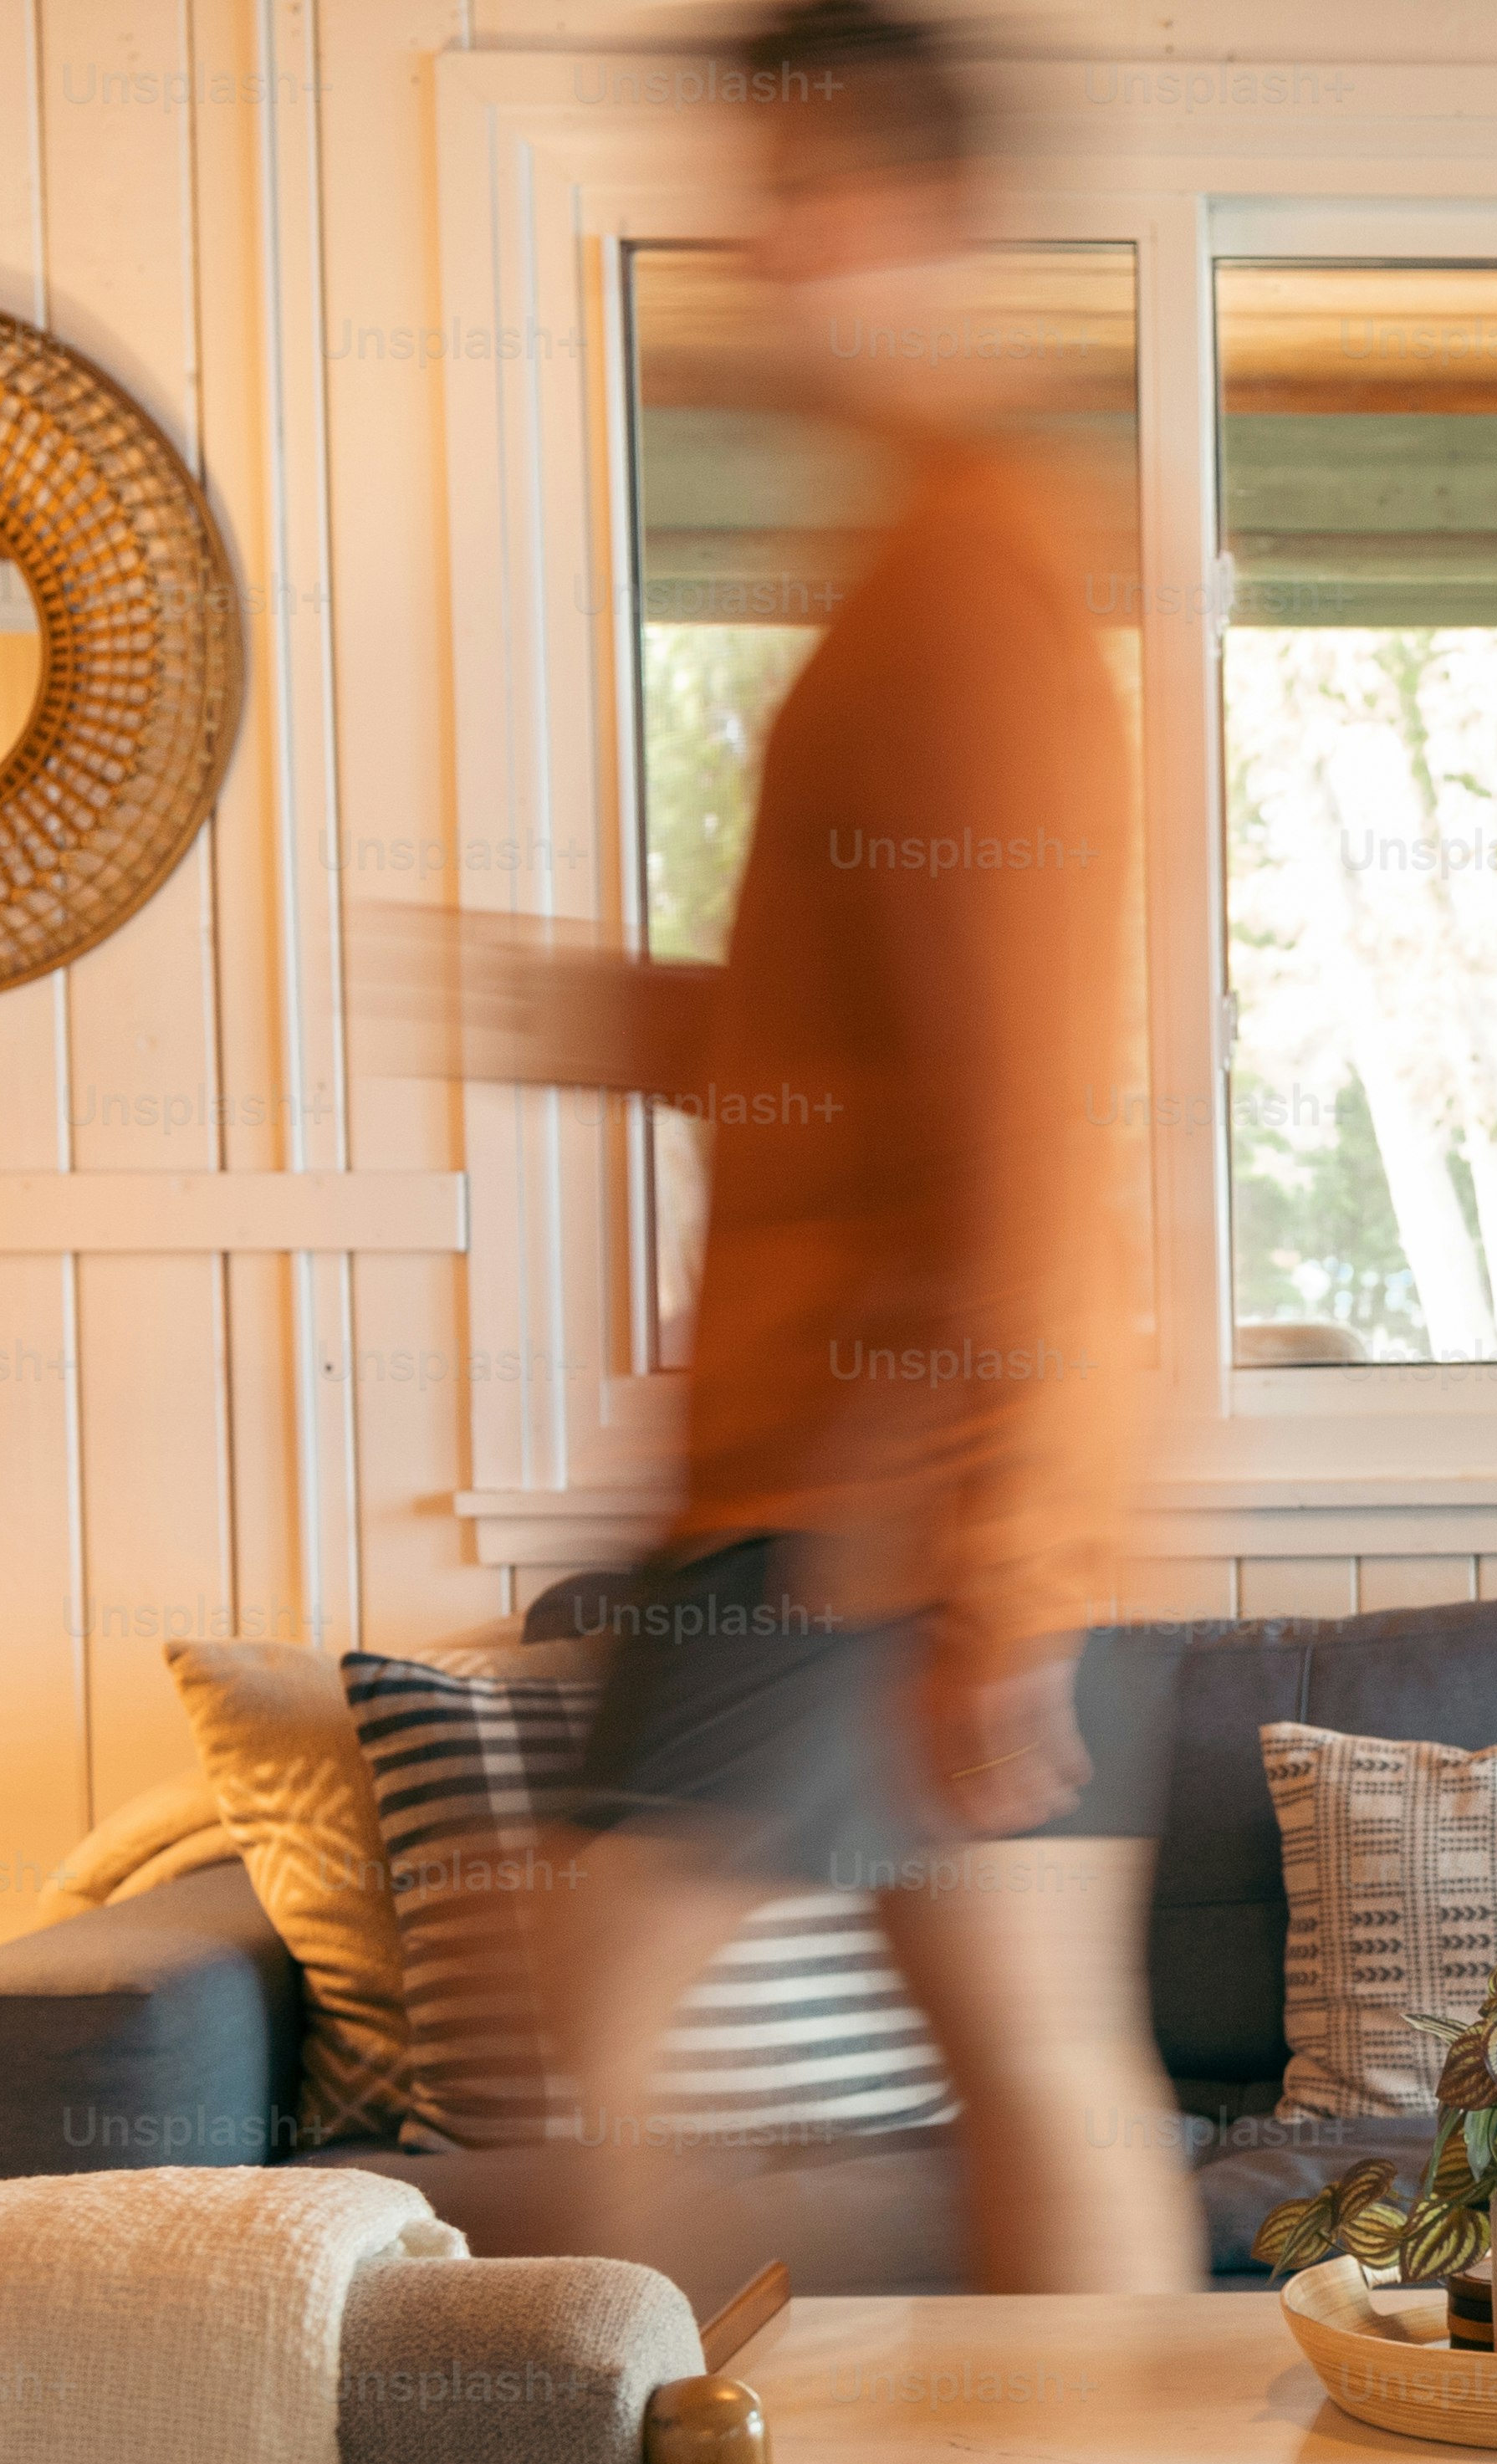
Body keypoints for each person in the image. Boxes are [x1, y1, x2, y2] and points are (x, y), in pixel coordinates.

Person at [442, 0, 1198, 2297]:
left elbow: (1018, 1125)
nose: (766, 259)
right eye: (752, 204)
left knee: (581, 2017)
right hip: (912, 1479)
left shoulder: (959, 599)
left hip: (860, 1486)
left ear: (928, 219)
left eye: (809, 203)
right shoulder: (933, 577)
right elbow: (880, 1054)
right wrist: (631, 1021)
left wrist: (974, 1578)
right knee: (1031, 2048)